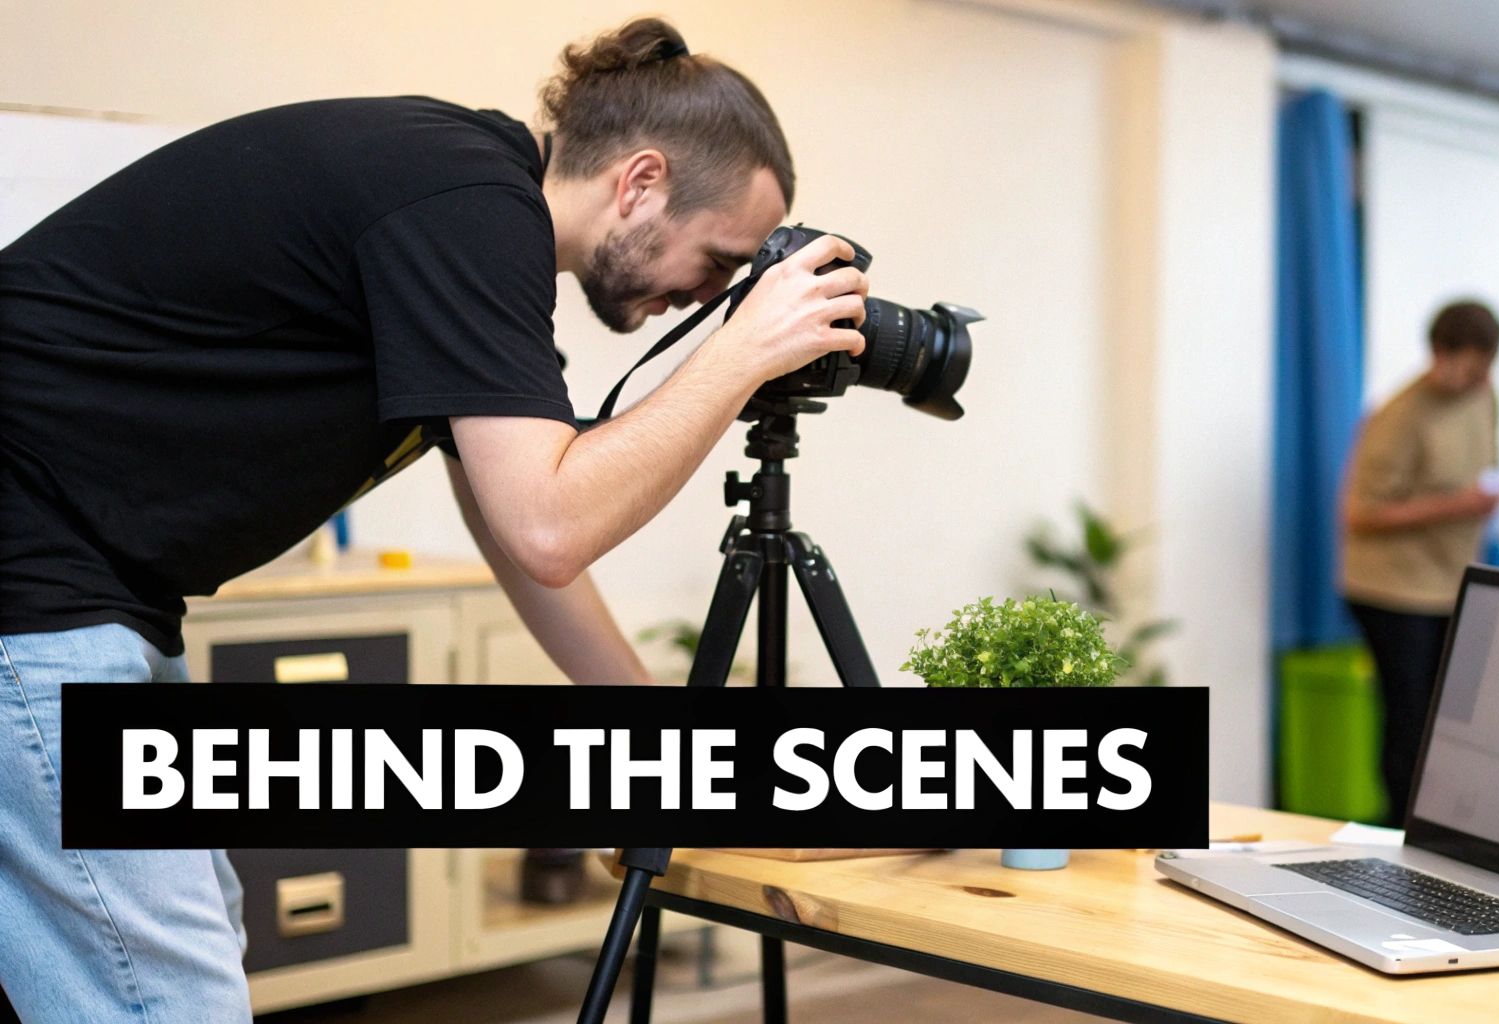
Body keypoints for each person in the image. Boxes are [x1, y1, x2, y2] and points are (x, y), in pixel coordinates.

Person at [0, 18, 868, 1023]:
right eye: (719, 262)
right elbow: (552, 522)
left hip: (86, 591)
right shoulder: (463, 201)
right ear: (638, 183)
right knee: (165, 997)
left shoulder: (457, 207)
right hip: (33, 582)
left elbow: (519, 536)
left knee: (165, 959)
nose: (709, 297)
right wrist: (739, 355)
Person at [1340, 300, 1499, 826]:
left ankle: (1443, 827)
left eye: (1488, 368)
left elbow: (1478, 473)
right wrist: (1457, 506)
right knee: (1411, 718)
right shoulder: (1399, 416)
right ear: (1439, 354)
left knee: (1453, 719)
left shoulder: (1484, 396)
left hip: (1451, 582)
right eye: (1470, 368)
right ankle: (1403, 828)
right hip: (1391, 588)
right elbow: (1359, 513)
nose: (1480, 379)